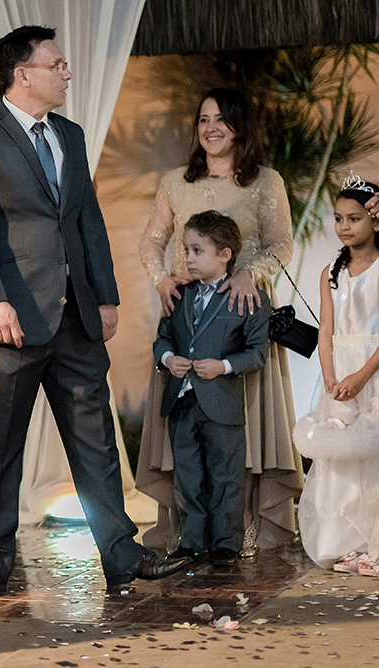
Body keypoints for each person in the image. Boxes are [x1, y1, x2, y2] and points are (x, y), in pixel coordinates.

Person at [0, 24, 186, 597]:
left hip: (75, 316)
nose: (67, 73)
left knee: (96, 440)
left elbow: (86, 220)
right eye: (56, 65)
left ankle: (121, 553)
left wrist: (105, 296)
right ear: (23, 74)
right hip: (7, 319)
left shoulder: (70, 135)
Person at [137, 88, 301, 558]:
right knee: (186, 429)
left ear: (240, 127)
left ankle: (243, 524)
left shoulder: (266, 181)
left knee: (243, 427)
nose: (211, 128)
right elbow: (152, 242)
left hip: (243, 313)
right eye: (204, 119)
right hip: (186, 314)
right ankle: (189, 530)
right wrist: (161, 279)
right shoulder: (175, 182)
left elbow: (281, 244)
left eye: (222, 119)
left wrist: (252, 273)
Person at [154, 211, 270, 568]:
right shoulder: (179, 295)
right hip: (182, 401)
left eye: (197, 250)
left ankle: (226, 543)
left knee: (226, 475)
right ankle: (191, 542)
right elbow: (162, 339)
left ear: (225, 255)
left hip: (223, 402)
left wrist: (224, 366)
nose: (188, 258)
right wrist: (168, 358)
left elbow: (257, 353)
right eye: (185, 250)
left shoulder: (250, 299)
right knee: (187, 476)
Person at [294, 175, 379, 574]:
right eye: (339, 218)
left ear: (375, 219)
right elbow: (326, 329)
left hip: (371, 369)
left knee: (373, 458)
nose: (344, 226)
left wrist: (362, 375)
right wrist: (329, 376)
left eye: (354, 218)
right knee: (342, 461)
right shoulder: (331, 272)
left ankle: (376, 543)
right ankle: (348, 542)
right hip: (340, 373)